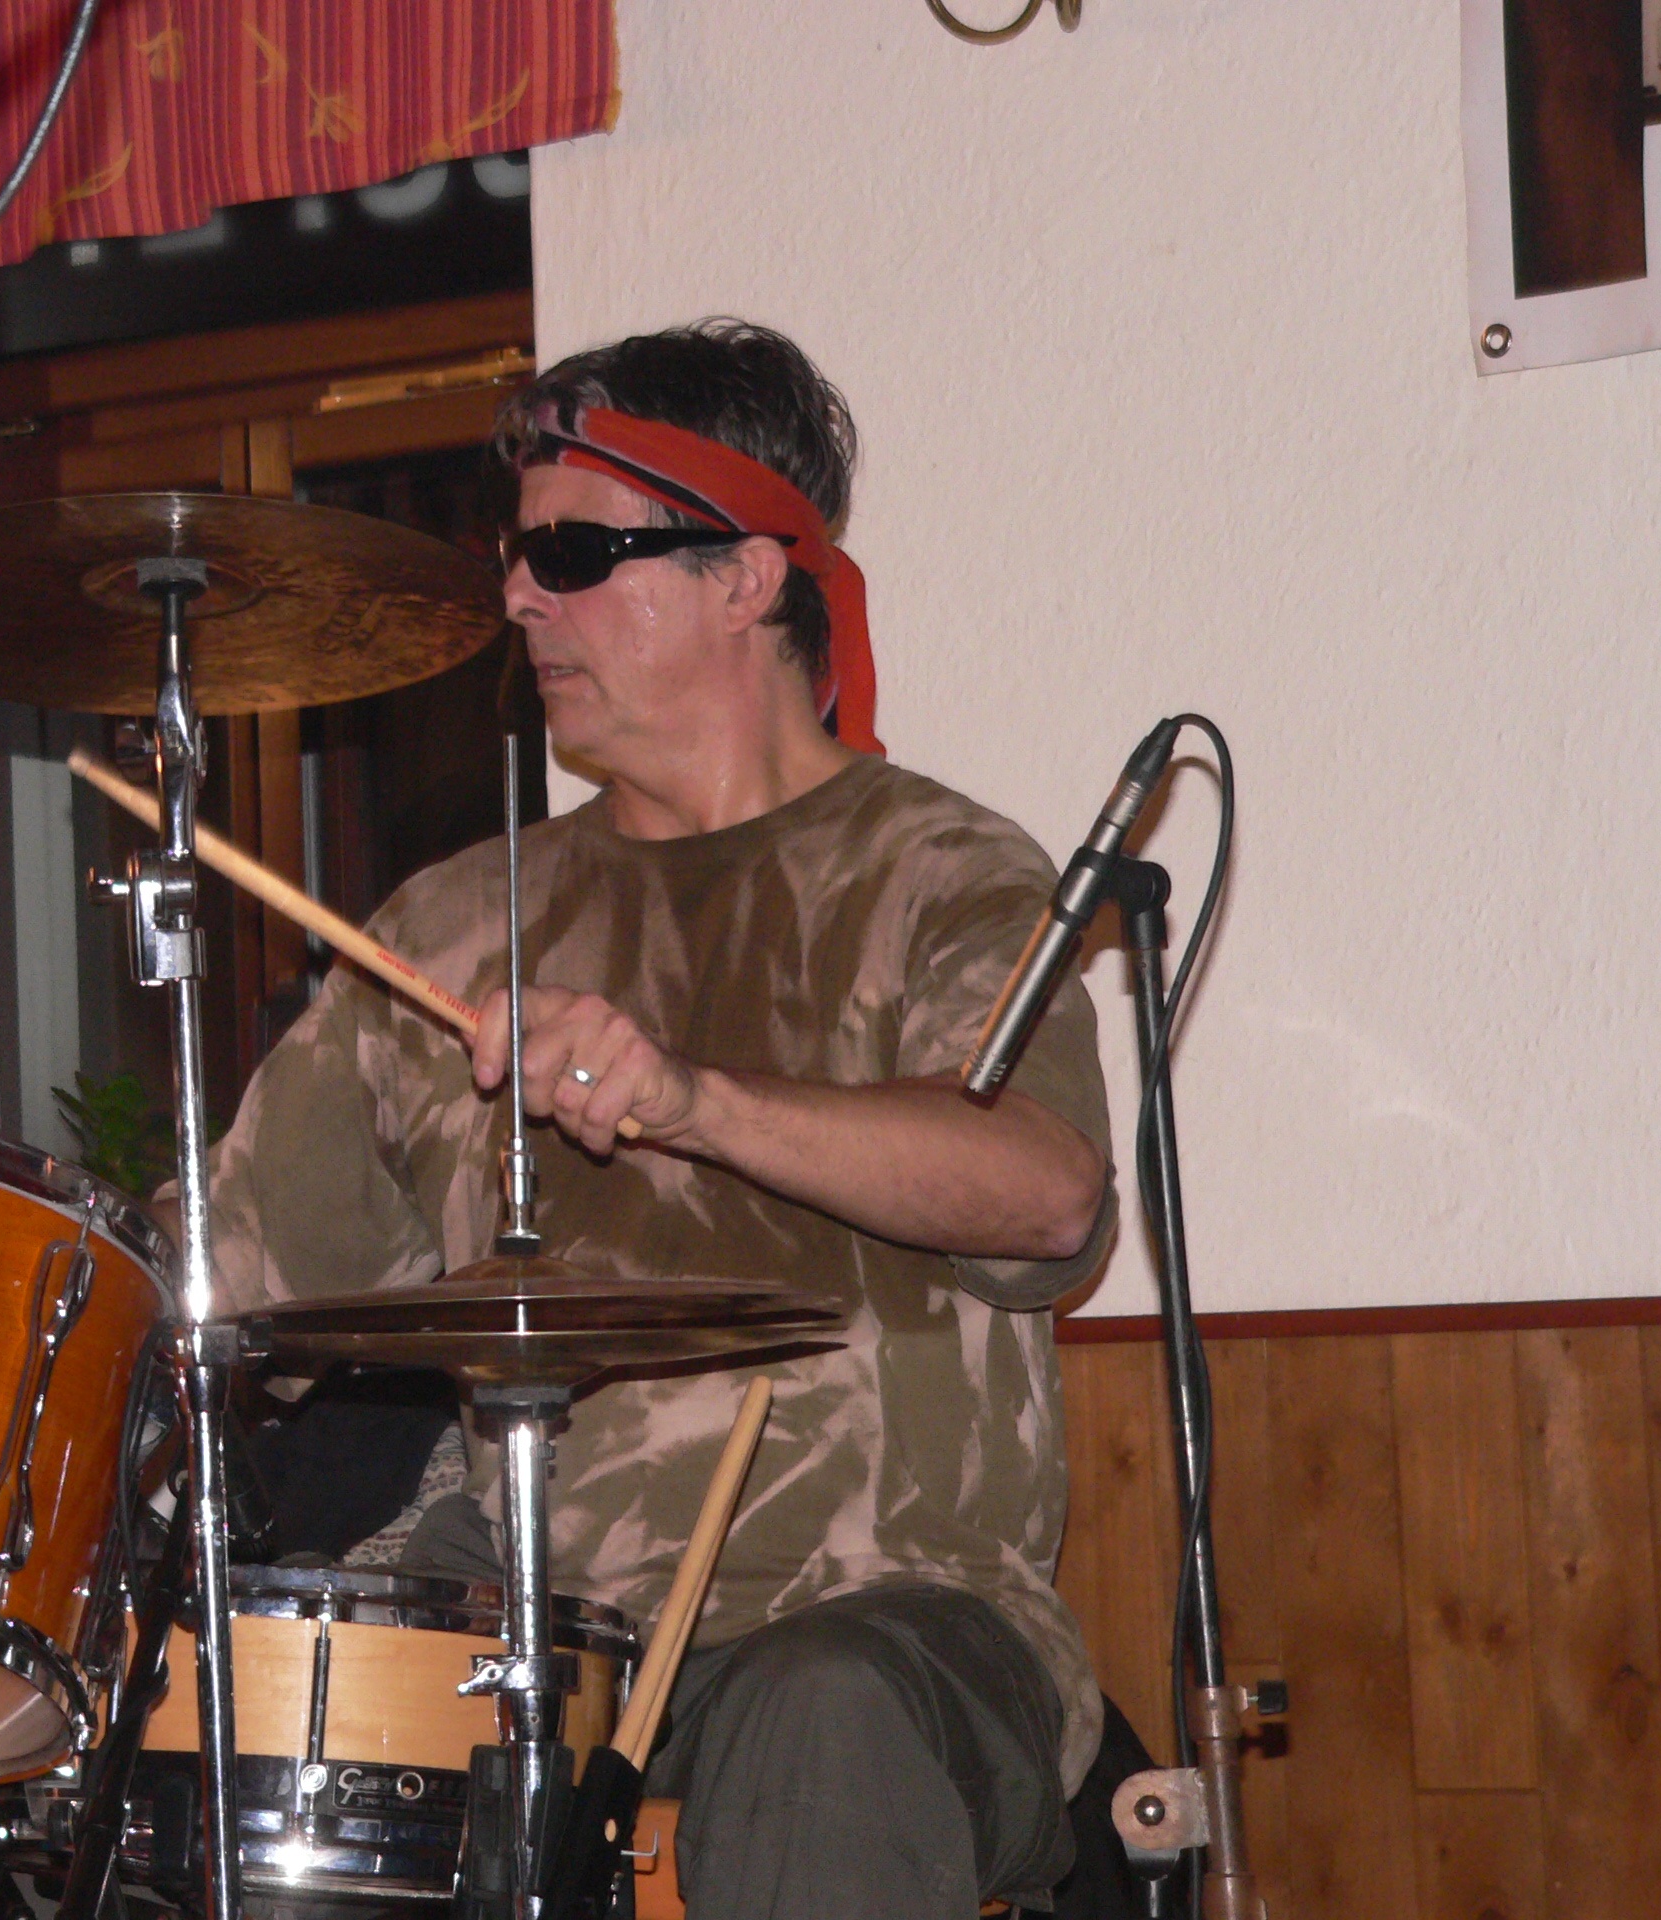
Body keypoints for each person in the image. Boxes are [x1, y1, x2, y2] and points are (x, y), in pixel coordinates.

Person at [203, 319, 1114, 1920]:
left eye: (570, 553)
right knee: (293, 1709)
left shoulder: (944, 876)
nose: (517, 597)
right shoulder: (450, 931)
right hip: (536, 1633)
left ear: (747, 576)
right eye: (511, 553)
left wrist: (696, 1100)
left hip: (892, 1618)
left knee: (819, 1712)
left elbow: (1046, 1198)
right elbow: (236, 1281)